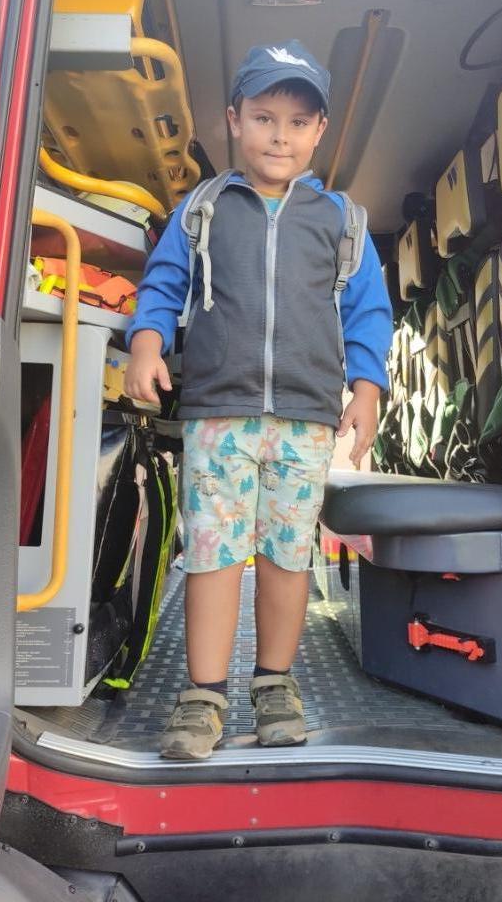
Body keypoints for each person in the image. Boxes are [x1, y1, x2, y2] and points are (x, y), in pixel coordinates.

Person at [125, 39, 392, 760]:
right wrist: (146, 344)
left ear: (319, 131)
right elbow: (162, 284)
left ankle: (274, 683)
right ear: (233, 120)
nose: (280, 136)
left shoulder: (341, 221)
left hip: (305, 419)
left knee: (286, 555)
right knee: (212, 555)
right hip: (218, 413)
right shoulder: (203, 209)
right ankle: (202, 696)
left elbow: (368, 312)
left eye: (297, 122)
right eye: (264, 117)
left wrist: (366, 388)